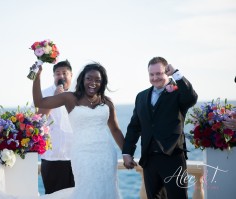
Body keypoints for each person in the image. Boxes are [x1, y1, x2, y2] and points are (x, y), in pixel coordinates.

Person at [33, 62, 124, 199]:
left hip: (106, 155)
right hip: (82, 154)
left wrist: (127, 152)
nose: (93, 82)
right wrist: (37, 76)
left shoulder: (107, 103)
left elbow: (116, 130)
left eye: (98, 80)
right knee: (86, 190)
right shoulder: (70, 98)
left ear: (103, 82)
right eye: (89, 78)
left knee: (106, 189)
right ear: (82, 79)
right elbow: (39, 102)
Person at [122, 57, 198, 199]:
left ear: (167, 72)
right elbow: (134, 126)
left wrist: (176, 73)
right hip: (149, 159)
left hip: (173, 157)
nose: (155, 78)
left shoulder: (178, 92)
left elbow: (191, 97)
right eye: (151, 74)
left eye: (159, 73)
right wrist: (127, 152)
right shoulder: (141, 96)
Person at [38, 60, 75, 194]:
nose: (61, 76)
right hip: (52, 158)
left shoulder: (78, 94)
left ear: (71, 75)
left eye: (65, 73)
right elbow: (38, 120)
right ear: (54, 76)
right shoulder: (43, 94)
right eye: (57, 73)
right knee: (54, 195)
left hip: (76, 157)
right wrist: (54, 99)